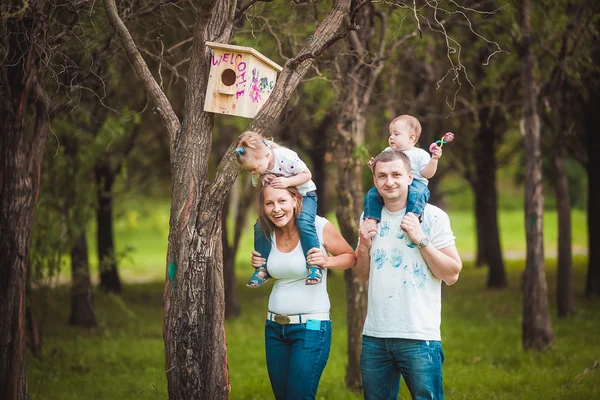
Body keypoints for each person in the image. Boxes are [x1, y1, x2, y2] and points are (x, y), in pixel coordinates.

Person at [354, 149, 462, 400]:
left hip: (419, 336)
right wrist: (363, 245)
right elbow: (362, 274)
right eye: (382, 176)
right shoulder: (369, 217)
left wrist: (420, 239)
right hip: (375, 336)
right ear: (375, 181)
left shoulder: (432, 217)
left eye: (395, 174)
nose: (389, 181)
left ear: (410, 177)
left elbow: (452, 274)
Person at [251, 183, 356, 400]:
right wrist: (264, 267)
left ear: (296, 200)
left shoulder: (318, 226)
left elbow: (350, 257)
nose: (276, 209)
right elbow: (285, 270)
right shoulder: (267, 232)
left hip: (311, 328)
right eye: (269, 203)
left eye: (282, 201)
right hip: (274, 329)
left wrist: (326, 261)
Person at [235, 131, 324, 287]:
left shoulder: (285, 157)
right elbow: (259, 184)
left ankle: (314, 265)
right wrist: (262, 178)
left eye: (254, 169)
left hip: (305, 195)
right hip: (282, 202)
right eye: (250, 171)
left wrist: (287, 182)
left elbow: (307, 174)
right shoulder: (259, 166)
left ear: (267, 156)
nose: (253, 173)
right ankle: (262, 268)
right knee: (260, 226)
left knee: (304, 222)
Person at [363, 115, 442, 233]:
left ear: (411, 138)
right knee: (371, 194)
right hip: (396, 184)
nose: (391, 137)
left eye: (396, 134)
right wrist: (373, 167)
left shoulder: (419, 154)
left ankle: (411, 218)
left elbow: (427, 174)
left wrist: (434, 160)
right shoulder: (387, 152)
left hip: (416, 184)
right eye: (390, 134)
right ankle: (372, 218)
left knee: (417, 194)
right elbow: (382, 172)